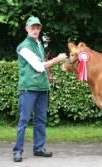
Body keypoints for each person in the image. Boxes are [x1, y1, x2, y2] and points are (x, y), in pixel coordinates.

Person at [13, 16, 67, 162]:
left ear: (40, 29)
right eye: (32, 27)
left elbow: (41, 66)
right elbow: (38, 66)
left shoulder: (39, 44)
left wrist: (47, 77)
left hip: (42, 88)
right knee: (23, 121)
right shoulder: (23, 46)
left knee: (41, 120)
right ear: (27, 29)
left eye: (37, 27)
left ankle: (39, 148)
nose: (35, 30)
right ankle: (17, 151)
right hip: (28, 89)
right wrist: (58, 59)